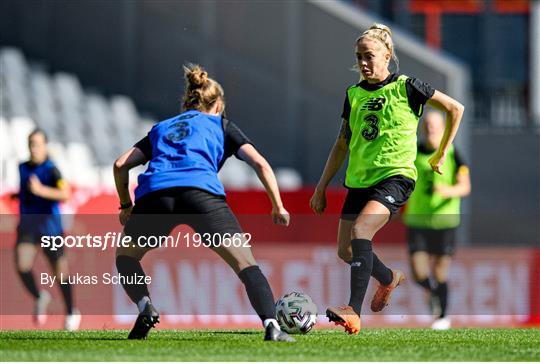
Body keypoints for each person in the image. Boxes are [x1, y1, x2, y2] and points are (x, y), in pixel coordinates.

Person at [113, 64, 294, 342]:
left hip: (156, 196)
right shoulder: (221, 125)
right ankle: (271, 325)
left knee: (126, 257)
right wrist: (277, 205)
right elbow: (259, 163)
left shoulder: (161, 128)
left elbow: (120, 165)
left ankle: (145, 306)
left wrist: (126, 205)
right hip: (200, 194)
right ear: (218, 104)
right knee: (245, 263)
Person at [309, 23, 465, 334]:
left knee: (362, 228)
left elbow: (454, 108)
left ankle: (353, 310)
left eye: (369, 56)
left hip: (395, 178)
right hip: (359, 181)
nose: (364, 63)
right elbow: (341, 143)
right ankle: (387, 277)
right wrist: (321, 187)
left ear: (387, 55)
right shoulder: (353, 94)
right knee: (345, 250)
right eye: (359, 57)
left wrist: (442, 152)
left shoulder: (407, 87)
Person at [403, 110, 471, 330]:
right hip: (417, 221)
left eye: (435, 126)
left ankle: (442, 316)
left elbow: (465, 186)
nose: (431, 130)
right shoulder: (413, 153)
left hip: (445, 222)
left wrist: (447, 191)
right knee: (418, 272)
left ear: (443, 130)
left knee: (440, 271)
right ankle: (432, 293)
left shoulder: (452, 154)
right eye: (427, 126)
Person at [14, 129, 81, 331]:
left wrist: (41, 190)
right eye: (31, 144)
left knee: (60, 273)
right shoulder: (22, 167)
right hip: (28, 225)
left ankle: (71, 312)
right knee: (22, 264)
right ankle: (40, 296)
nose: (34, 148)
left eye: (37, 144)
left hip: (50, 227)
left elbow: (65, 193)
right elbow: (27, 193)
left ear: (45, 146)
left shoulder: (52, 169)